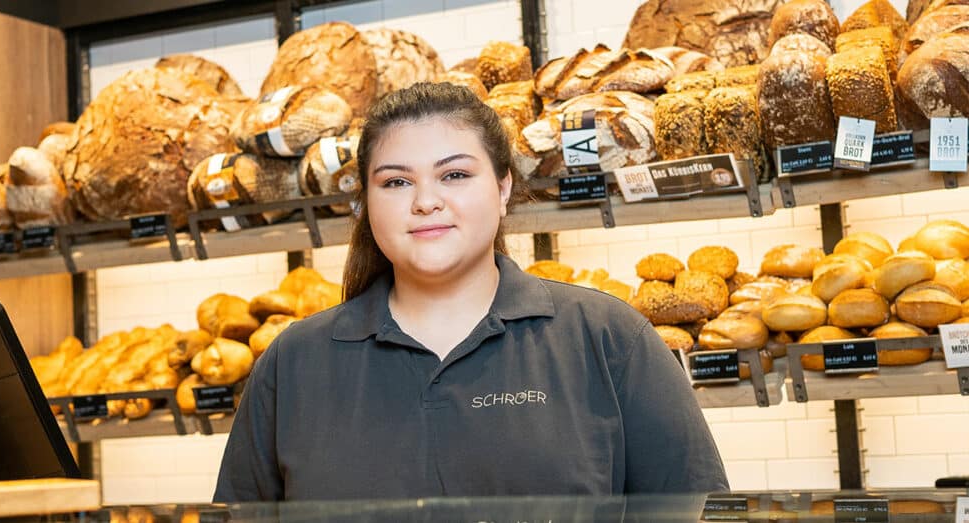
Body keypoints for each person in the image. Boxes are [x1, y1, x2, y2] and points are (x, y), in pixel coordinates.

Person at [213, 82, 728, 502]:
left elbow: (700, 513)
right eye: (395, 183)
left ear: (503, 189)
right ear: (365, 203)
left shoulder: (610, 340)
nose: (426, 201)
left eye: (455, 174)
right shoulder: (294, 363)